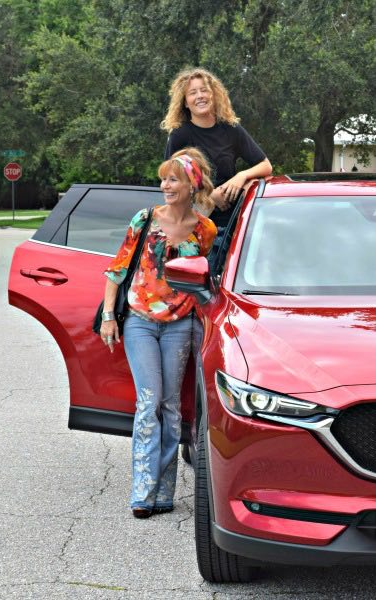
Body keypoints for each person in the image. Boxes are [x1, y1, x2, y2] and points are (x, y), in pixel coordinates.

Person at [99, 148, 218, 518]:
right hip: (139, 321)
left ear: (191, 185)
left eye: (173, 179)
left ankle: (164, 492)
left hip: (180, 324)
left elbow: (201, 279)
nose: (165, 185)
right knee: (148, 402)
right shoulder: (145, 219)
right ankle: (142, 491)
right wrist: (108, 315)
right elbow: (118, 268)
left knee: (170, 406)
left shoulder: (204, 229)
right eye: (164, 178)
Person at [161, 67, 272, 230]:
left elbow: (265, 165)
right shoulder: (180, 135)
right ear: (185, 102)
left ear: (213, 94)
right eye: (192, 93)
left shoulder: (231, 129)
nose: (200, 96)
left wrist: (241, 176)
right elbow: (170, 182)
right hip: (195, 226)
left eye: (204, 90)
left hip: (233, 226)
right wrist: (209, 197)